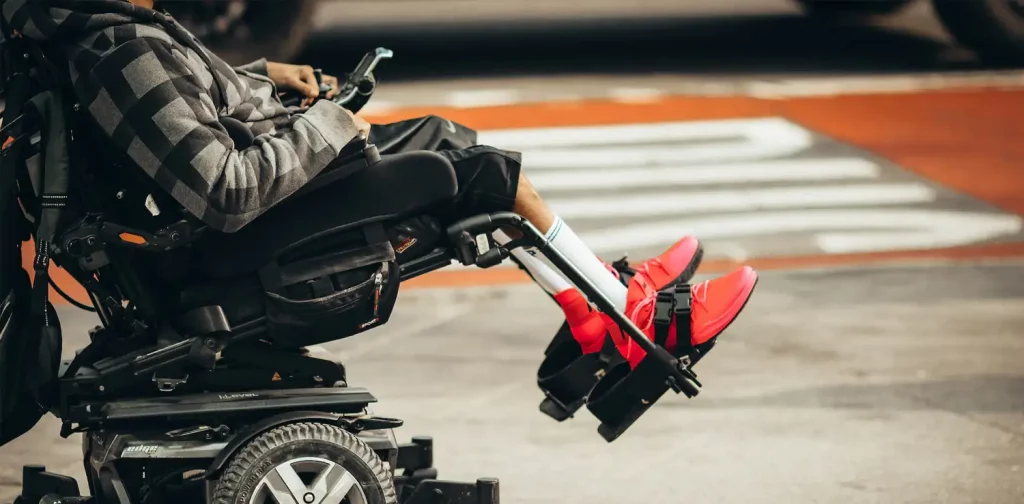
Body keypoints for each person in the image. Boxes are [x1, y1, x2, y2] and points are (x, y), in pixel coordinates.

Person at [1, 0, 757, 368]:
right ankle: (631, 321)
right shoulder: (118, 46)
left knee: (445, 139)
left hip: (233, 217)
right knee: (474, 169)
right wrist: (328, 125)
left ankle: (601, 302)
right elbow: (223, 189)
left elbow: (182, 108)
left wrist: (260, 79)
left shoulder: (106, 29)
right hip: (236, 242)